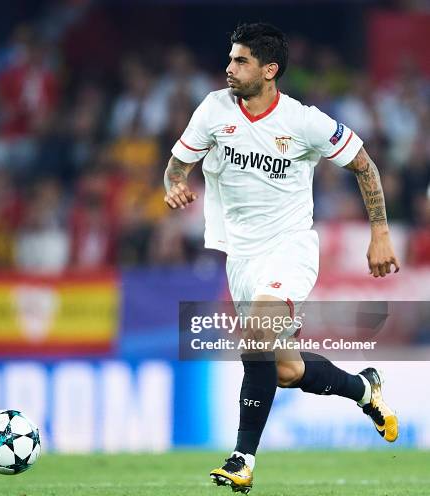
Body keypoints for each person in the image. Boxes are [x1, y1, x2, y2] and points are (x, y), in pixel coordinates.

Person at [163, 23, 400, 494]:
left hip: (289, 249)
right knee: (285, 370)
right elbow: (177, 163)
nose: (229, 68)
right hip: (241, 258)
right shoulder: (213, 109)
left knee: (256, 336)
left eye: (240, 61)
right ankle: (364, 389)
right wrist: (174, 184)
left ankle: (242, 459)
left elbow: (364, 164)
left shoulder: (304, 121)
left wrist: (379, 233)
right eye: (230, 59)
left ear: (269, 70)